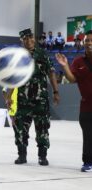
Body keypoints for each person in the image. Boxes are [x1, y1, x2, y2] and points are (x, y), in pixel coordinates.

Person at [7, 28, 60, 166]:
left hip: (40, 100)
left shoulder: (42, 54)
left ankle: (42, 156)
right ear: (21, 41)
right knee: (20, 128)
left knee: (42, 128)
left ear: (34, 39)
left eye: (30, 37)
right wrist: (9, 96)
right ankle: (22, 155)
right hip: (23, 100)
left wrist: (55, 91)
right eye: (25, 38)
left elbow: (51, 73)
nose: (28, 40)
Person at [55, 30, 92, 172]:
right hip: (86, 107)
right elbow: (72, 79)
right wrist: (64, 65)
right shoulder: (78, 61)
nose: (89, 43)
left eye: (91, 40)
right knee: (88, 136)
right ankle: (88, 162)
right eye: (87, 40)